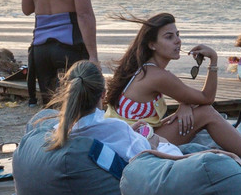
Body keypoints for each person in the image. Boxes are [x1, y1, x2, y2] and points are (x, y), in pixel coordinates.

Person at [103, 13, 241, 161]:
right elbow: (207, 98)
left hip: (132, 138)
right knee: (206, 113)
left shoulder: (144, 69)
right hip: (135, 146)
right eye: (169, 37)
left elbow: (189, 97)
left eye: (177, 35)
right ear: (152, 45)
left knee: (200, 113)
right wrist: (213, 59)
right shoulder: (157, 75)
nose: (177, 40)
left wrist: (185, 104)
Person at [45, 60, 184, 160]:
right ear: (103, 95)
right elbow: (148, 156)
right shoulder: (115, 128)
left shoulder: (59, 130)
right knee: (170, 144)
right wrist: (153, 141)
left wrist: (128, 131)